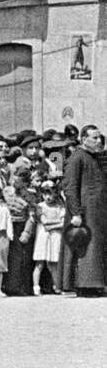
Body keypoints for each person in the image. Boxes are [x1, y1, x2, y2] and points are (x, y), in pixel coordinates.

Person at [62, 124, 107, 295]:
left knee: (97, 248)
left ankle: (96, 283)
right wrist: (76, 212)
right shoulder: (77, 157)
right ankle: (85, 285)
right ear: (83, 139)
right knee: (86, 248)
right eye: (94, 138)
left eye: (99, 137)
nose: (98, 141)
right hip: (85, 211)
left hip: (98, 211)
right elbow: (70, 186)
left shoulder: (95, 157)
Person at [33, 180, 64, 295]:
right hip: (43, 236)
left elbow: (63, 222)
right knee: (40, 263)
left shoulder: (59, 207)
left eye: (50, 194)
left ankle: (57, 286)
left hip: (55, 235)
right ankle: (36, 287)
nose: (48, 197)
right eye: (45, 194)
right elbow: (44, 221)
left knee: (54, 263)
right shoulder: (40, 206)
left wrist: (52, 226)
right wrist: (56, 223)